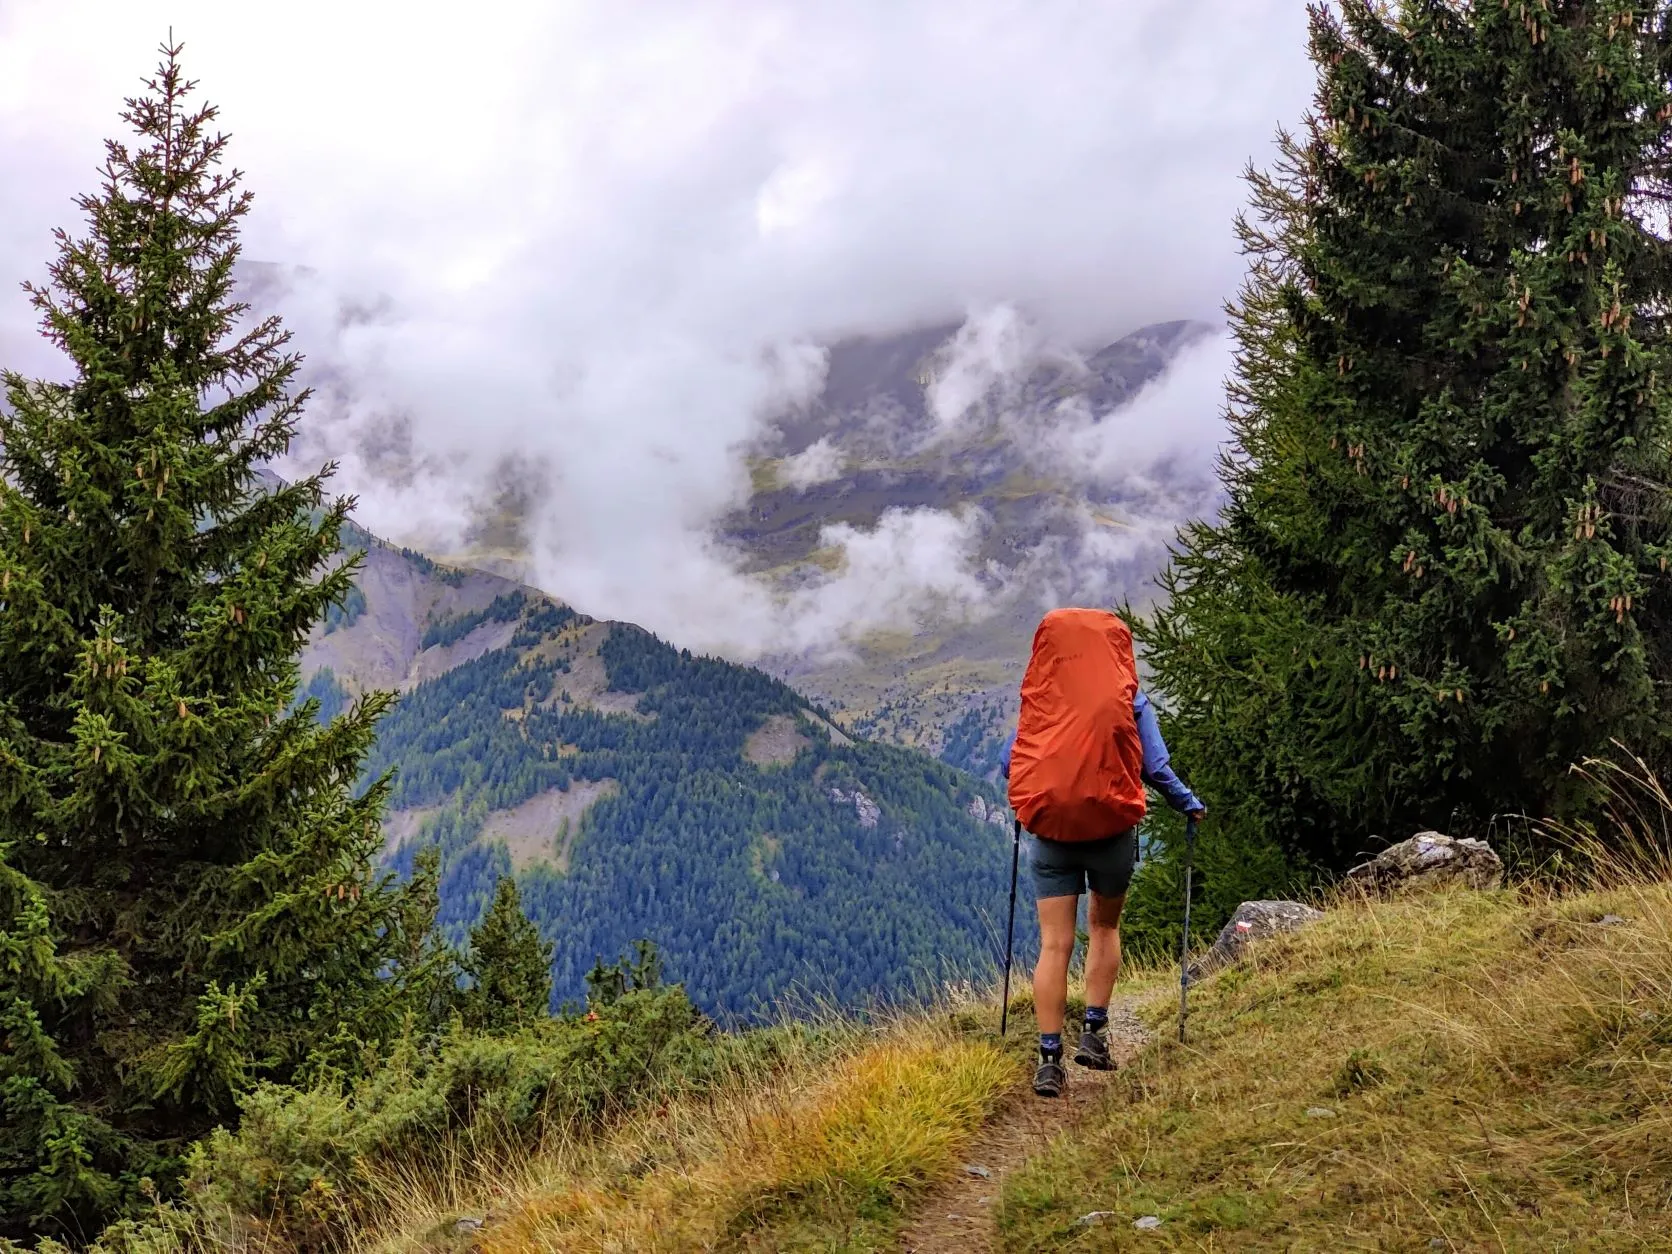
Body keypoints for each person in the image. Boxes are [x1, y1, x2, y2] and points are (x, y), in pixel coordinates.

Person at [1000, 687, 1204, 1097]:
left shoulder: (1045, 693)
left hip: (1052, 833)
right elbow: (1156, 767)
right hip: (1112, 835)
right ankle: (1094, 1033)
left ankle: (1049, 1061)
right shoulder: (1131, 700)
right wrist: (1189, 804)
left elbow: (1008, 763)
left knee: (1054, 944)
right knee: (1104, 926)